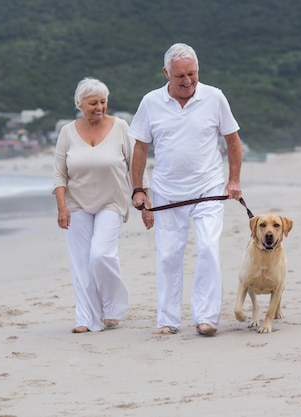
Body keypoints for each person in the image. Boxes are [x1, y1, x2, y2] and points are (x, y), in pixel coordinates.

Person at [129, 43, 243, 336]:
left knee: (207, 248)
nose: (187, 81)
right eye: (179, 75)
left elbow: (232, 141)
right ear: (166, 73)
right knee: (168, 255)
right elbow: (140, 148)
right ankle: (167, 320)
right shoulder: (150, 102)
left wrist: (233, 181)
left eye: (191, 73)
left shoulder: (214, 97)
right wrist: (138, 189)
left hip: (208, 187)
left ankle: (207, 318)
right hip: (167, 191)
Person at [53, 77, 152, 333]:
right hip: (76, 204)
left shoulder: (120, 127)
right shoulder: (67, 132)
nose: (99, 107)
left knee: (100, 255)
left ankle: (113, 307)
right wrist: (62, 207)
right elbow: (59, 174)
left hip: (112, 202)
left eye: (103, 102)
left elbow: (135, 164)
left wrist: (144, 197)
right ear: (79, 104)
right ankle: (86, 318)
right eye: (93, 103)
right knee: (81, 263)